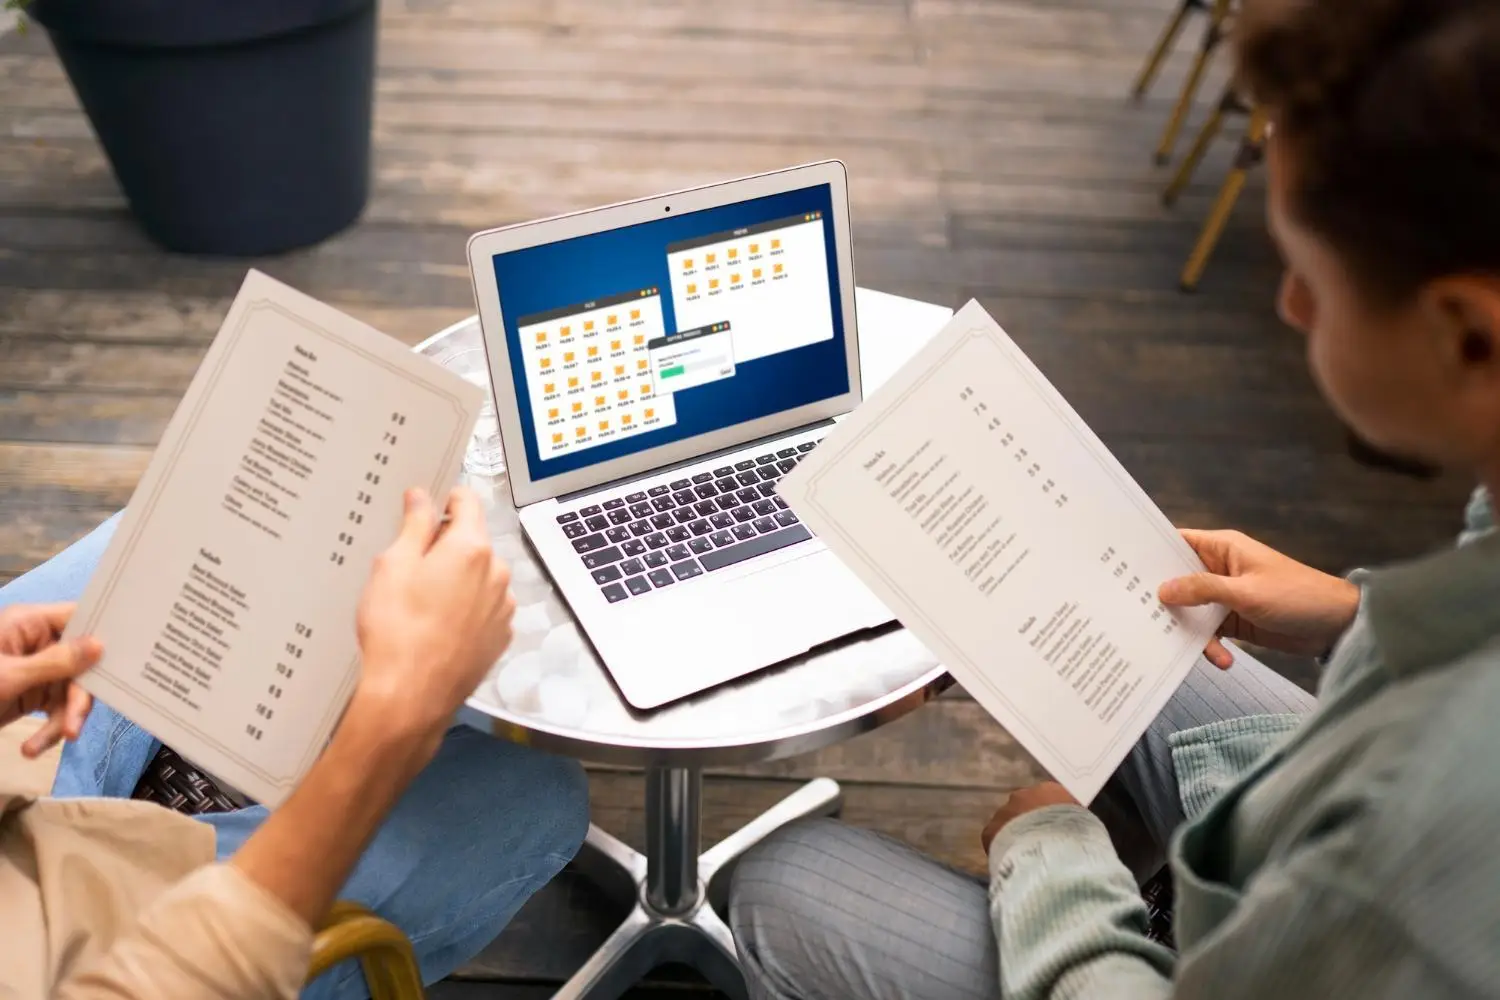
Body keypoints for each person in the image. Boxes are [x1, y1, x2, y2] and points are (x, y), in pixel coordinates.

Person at [729, 1, 1500, 997]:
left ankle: (1127, 886)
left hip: (1255, 942)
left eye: (1306, 272)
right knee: (1142, 614)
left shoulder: (1405, 862)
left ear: (1469, 332)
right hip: (1315, 819)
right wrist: (1352, 615)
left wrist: (1054, 857)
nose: (1288, 307)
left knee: (779, 884)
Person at [0, 487, 590, 999]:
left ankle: (227, 764)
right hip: (74, 955)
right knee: (534, 792)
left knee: (177, 529)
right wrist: (394, 715)